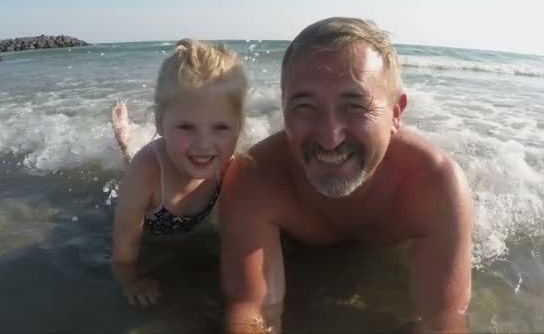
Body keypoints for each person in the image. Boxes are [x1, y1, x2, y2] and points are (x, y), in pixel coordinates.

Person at [219, 17, 474, 333]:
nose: (330, 137)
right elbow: (252, 311)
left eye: (354, 105)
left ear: (395, 114)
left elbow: (442, 317)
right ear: (284, 110)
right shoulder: (255, 178)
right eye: (305, 106)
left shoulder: (434, 185)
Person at [110, 38, 248, 307]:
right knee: (133, 160)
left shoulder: (230, 165)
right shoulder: (147, 171)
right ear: (161, 123)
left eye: (220, 128)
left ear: (239, 126)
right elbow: (123, 249)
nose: (204, 144)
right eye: (186, 127)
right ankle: (124, 137)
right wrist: (130, 281)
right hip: (152, 185)